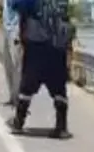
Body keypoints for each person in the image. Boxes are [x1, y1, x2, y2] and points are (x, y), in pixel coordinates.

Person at [9, 0, 74, 138]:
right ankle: (61, 127)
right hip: (58, 45)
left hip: (36, 43)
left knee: (27, 86)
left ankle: (18, 123)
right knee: (59, 88)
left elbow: (16, 5)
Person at [2, 0, 22, 106]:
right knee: (8, 65)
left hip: (15, 31)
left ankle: (18, 98)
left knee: (16, 66)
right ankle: (12, 96)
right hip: (6, 29)